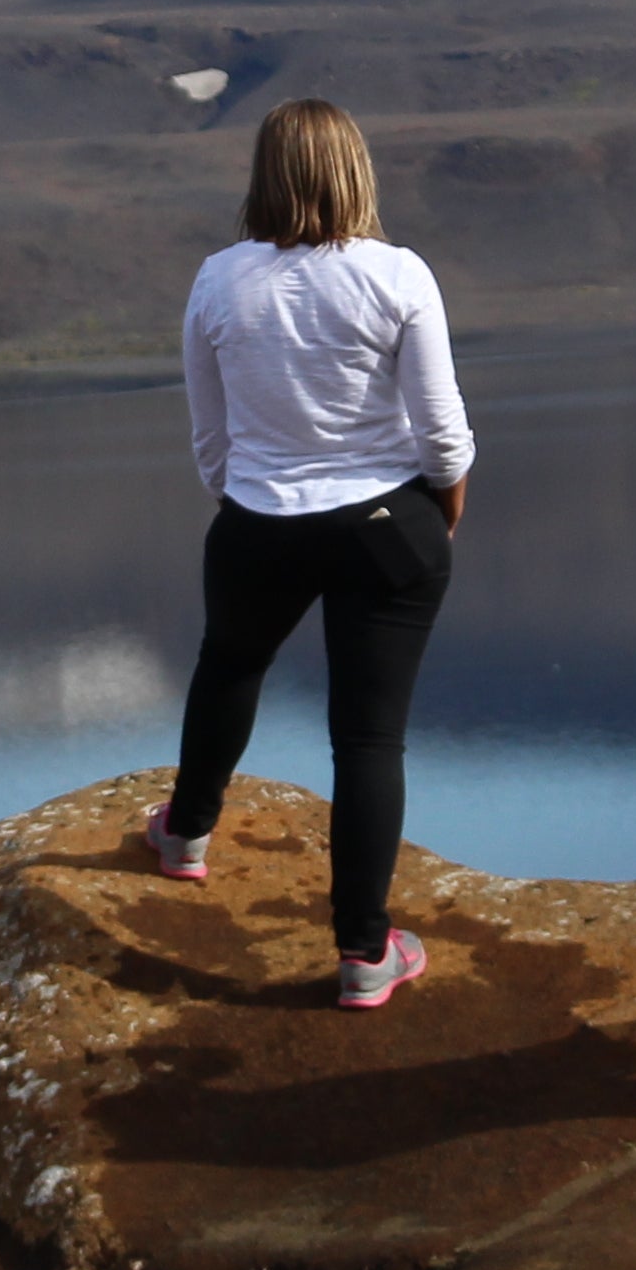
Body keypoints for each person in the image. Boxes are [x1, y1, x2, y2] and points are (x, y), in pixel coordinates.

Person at [147, 98, 474, 1006]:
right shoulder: (399, 275)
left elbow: (210, 445)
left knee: (230, 664)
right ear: (355, 171)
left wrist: (259, 512)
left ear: (264, 176)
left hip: (257, 524)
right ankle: (365, 957)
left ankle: (185, 839)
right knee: (368, 738)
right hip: (386, 527)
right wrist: (438, 515)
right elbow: (442, 435)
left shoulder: (218, 280)